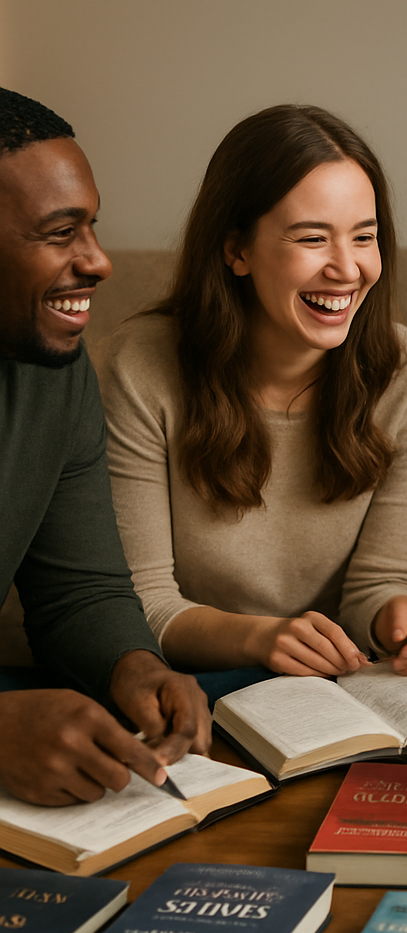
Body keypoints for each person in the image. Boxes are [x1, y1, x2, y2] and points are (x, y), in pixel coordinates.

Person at [96, 105, 407, 702]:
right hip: (176, 683)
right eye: (312, 238)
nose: (347, 268)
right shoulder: (135, 367)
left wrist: (400, 614)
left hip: (321, 688)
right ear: (237, 250)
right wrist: (260, 639)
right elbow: (138, 606)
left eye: (365, 236)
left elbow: (379, 584)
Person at [0, 88, 210, 805]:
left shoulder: (57, 374)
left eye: (92, 227)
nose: (99, 261)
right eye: (61, 233)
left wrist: (134, 667)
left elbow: (76, 590)